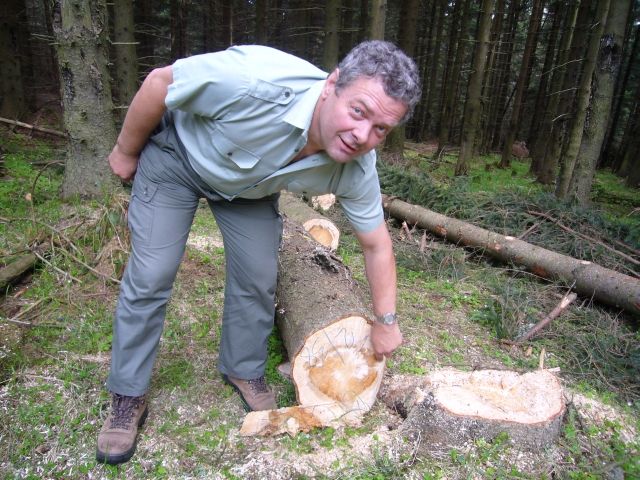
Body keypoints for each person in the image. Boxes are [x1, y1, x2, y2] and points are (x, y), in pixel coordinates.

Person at [96, 40, 421, 465]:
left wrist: (386, 321)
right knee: (152, 272)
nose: (363, 136)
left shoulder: (356, 167)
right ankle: (127, 394)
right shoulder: (255, 81)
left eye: (381, 129)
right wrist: (125, 150)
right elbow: (160, 83)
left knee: (258, 275)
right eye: (359, 112)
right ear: (333, 84)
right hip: (178, 158)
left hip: (247, 191)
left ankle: (243, 367)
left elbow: (376, 243)